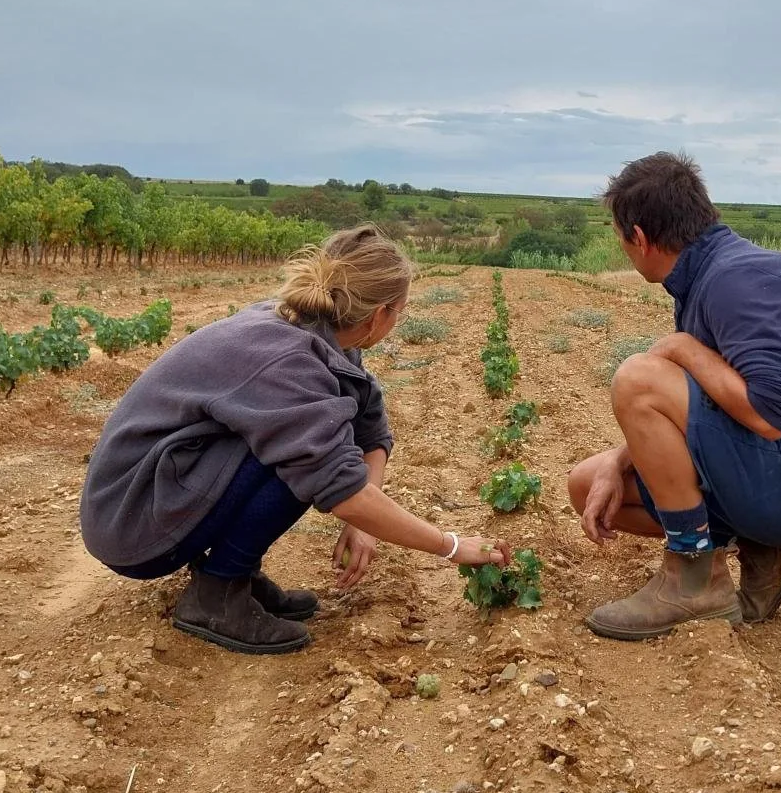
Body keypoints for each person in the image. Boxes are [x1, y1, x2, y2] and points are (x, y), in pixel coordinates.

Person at [80, 226, 508, 654]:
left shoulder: (319, 330)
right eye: (401, 311)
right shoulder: (290, 360)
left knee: (306, 442)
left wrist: (361, 521)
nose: (399, 321)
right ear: (379, 315)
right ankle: (218, 591)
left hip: (154, 487)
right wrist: (450, 546)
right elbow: (342, 488)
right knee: (301, 455)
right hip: (131, 521)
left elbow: (370, 424)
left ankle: (236, 574)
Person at [567, 152, 781, 640]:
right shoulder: (709, 276)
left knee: (638, 378)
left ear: (638, 237)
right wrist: (619, 463)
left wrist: (682, 347)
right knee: (587, 485)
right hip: (774, 474)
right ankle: (770, 555)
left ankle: (694, 576)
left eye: (620, 237)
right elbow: (704, 405)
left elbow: (769, 416)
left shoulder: (738, 280)